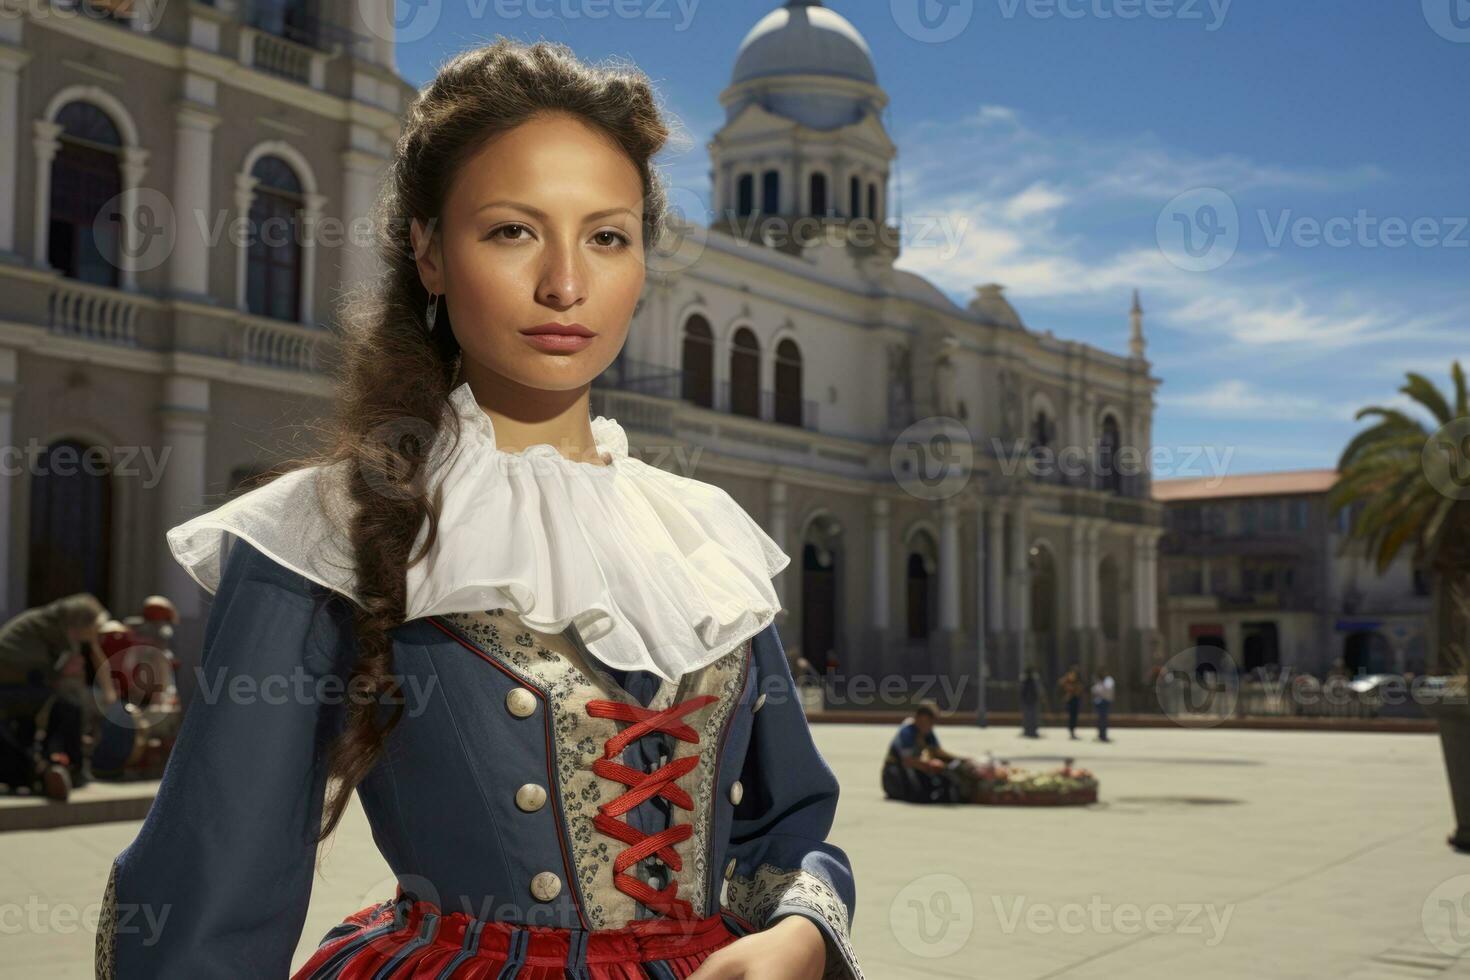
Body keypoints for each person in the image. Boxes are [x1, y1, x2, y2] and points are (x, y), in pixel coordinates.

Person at [96, 39, 861, 980]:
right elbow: (212, 893)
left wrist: (797, 935)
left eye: (607, 237)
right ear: (429, 251)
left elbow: (788, 827)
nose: (566, 285)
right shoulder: (322, 529)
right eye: (512, 231)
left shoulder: (704, 534)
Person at [0, 593, 113, 800]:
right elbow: (48, 673)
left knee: (61, 711)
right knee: (67, 709)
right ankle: (54, 770)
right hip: (15, 686)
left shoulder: (52, 624)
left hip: (23, 687)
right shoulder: (52, 629)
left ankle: (52, 769)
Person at [881, 702, 979, 803]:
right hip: (894, 774)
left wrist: (960, 759)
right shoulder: (907, 732)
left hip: (912, 766)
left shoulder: (926, 731)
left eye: (932, 722)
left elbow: (937, 752)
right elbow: (908, 761)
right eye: (928, 721)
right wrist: (929, 765)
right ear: (918, 717)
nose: (930, 725)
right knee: (918, 794)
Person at [1057, 664, 1084, 739]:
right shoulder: (1069, 676)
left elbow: (1080, 688)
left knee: (1074, 716)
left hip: (1075, 698)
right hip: (1071, 698)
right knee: (1072, 717)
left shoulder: (1078, 678)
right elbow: (1061, 683)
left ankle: (1072, 731)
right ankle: (1071, 732)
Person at [1093, 664, 1116, 742]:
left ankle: (1103, 735)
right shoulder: (1099, 681)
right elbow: (1094, 690)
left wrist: (1101, 685)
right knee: (1100, 719)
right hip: (1099, 702)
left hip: (1106, 701)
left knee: (1103, 719)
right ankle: (1100, 735)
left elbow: (1107, 689)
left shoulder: (1109, 680)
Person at [1019, 665, 1043, 737]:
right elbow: (1039, 689)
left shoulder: (1026, 679)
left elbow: (1021, 690)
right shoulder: (1032, 679)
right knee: (1031, 716)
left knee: (1030, 716)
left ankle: (1029, 730)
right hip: (1031, 700)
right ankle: (1030, 730)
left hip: (1030, 700)